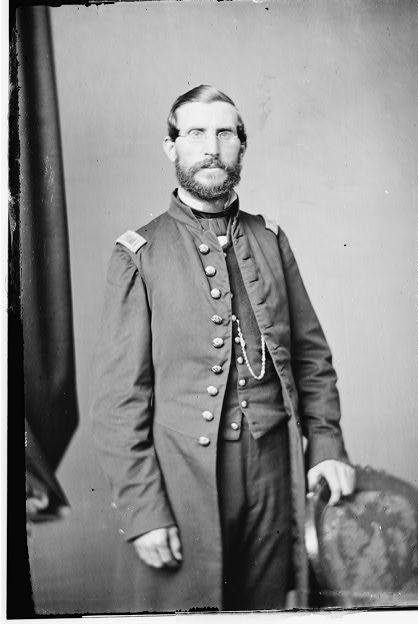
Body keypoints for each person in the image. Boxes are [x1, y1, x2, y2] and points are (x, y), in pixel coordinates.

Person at [91, 84, 355, 612]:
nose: (211, 148)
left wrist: (326, 447)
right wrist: (143, 510)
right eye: (195, 133)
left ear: (241, 145)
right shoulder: (138, 254)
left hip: (274, 473)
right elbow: (120, 400)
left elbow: (312, 359)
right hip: (183, 479)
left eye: (224, 134)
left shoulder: (271, 239)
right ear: (171, 147)